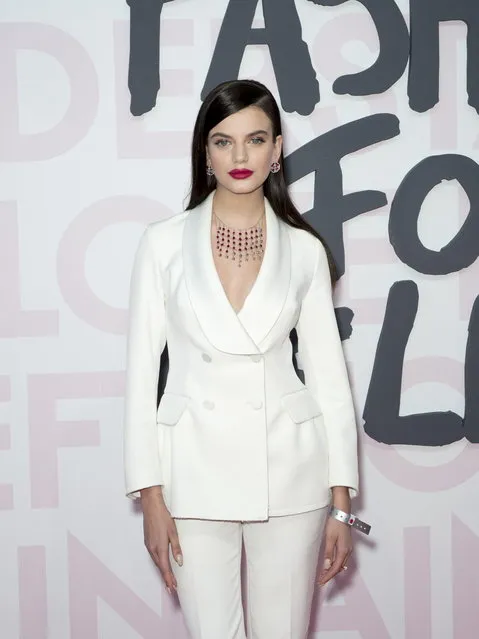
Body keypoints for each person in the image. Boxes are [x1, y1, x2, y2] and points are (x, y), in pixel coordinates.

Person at [123, 79, 360, 639]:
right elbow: (139, 378)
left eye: (255, 140)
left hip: (291, 472)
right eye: (223, 141)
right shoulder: (161, 244)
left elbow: (330, 380)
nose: (240, 156)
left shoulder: (304, 250)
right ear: (204, 152)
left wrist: (341, 503)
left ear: (276, 149)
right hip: (191, 475)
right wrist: (151, 496)